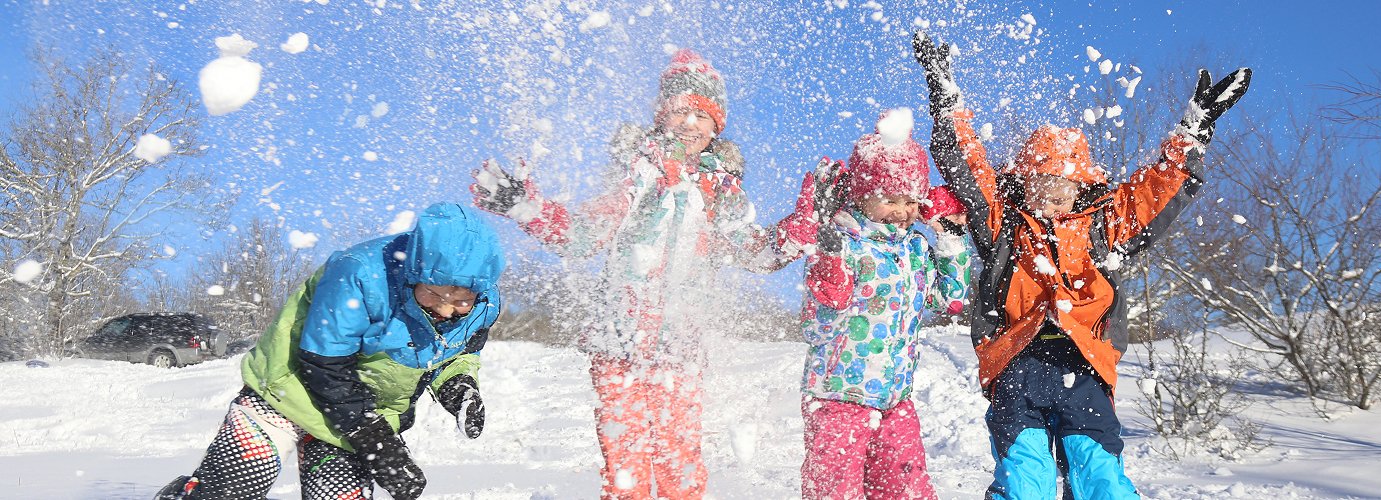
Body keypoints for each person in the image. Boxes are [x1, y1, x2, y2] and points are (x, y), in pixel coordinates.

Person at [911, 31, 1252, 499]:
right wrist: (946, 98)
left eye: (1063, 185)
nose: (1051, 193)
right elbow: (966, 165)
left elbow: (1153, 196)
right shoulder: (1004, 225)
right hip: (1017, 365)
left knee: (1101, 481)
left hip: (1086, 367)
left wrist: (1191, 133)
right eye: (1041, 181)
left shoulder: (1101, 229)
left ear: (1082, 190)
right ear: (1022, 184)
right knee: (1024, 479)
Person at [470, 49, 803, 499]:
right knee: (624, 464)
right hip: (620, 343)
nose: (691, 123)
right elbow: (584, 236)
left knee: (680, 463)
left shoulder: (721, 189)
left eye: (703, 115)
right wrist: (525, 207)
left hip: (681, 350)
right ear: (663, 115)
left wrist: (806, 226)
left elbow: (758, 254)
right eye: (681, 110)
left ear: (717, 125)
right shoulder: (638, 171)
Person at [156, 202, 507, 500]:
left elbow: (454, 353)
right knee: (233, 487)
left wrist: (458, 388)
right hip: (287, 389)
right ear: (415, 272)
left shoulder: (484, 305)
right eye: (434, 295)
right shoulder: (360, 274)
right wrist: (377, 443)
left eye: (462, 299)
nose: (447, 310)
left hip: (357, 413)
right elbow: (325, 365)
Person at [789, 111, 972, 500]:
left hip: (895, 400)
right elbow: (821, 315)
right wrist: (828, 258)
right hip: (839, 396)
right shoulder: (844, 243)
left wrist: (951, 240)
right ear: (863, 195)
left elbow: (950, 300)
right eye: (890, 199)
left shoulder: (917, 248)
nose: (902, 211)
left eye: (910, 201)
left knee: (906, 487)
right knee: (836, 490)